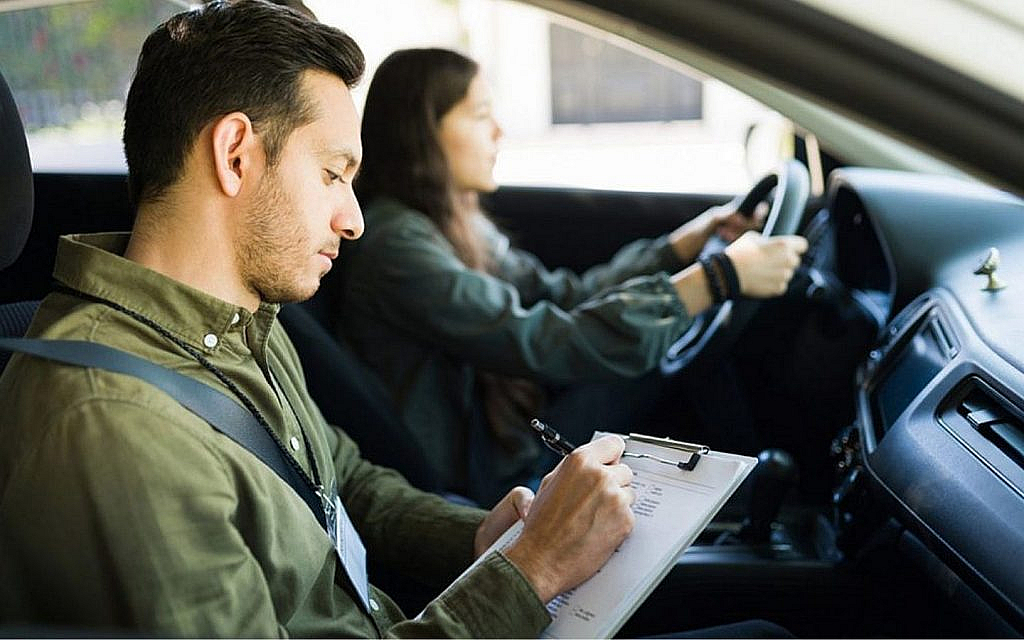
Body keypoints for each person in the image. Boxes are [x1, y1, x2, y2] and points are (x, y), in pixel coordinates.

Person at [0, 3, 638, 636]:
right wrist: (530, 573)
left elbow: (342, 483)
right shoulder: (114, 421)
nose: (355, 220)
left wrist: (485, 533)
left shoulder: (244, 327)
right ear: (236, 155)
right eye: (332, 173)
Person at [328, 47, 809, 506]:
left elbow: (566, 296)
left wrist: (680, 248)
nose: (499, 132)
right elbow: (545, 339)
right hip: (481, 476)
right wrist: (714, 280)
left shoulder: (455, 223)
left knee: (658, 351)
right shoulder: (398, 246)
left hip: (504, 440)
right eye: (480, 117)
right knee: (655, 358)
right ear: (423, 131)